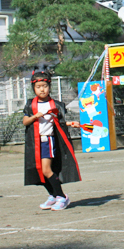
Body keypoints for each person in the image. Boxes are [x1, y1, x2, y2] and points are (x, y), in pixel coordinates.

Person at [23, 70, 81, 211]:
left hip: (48, 141)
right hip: (35, 142)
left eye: (44, 86)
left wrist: (71, 123)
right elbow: (25, 121)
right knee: (38, 171)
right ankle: (53, 195)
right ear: (34, 88)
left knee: (47, 170)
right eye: (38, 87)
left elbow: (59, 123)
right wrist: (35, 116)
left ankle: (62, 197)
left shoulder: (55, 104)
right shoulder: (31, 104)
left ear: (49, 87)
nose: (42, 89)